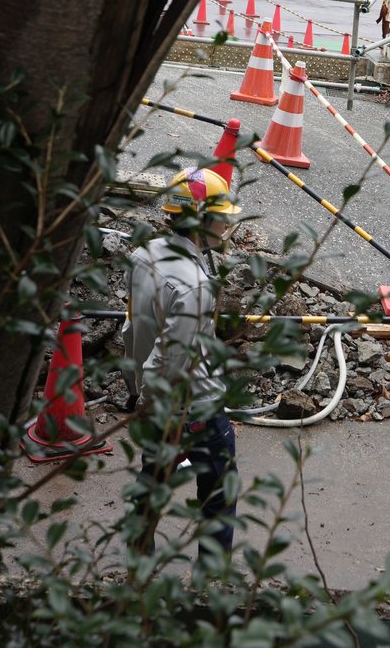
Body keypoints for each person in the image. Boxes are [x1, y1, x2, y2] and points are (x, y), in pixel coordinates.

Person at [126, 167, 242, 565]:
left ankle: (136, 576)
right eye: (220, 216)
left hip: (159, 405)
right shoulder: (195, 283)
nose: (226, 224)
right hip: (193, 409)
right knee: (218, 502)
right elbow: (176, 357)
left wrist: (138, 390)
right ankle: (210, 597)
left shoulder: (144, 256)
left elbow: (133, 332)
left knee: (150, 493)